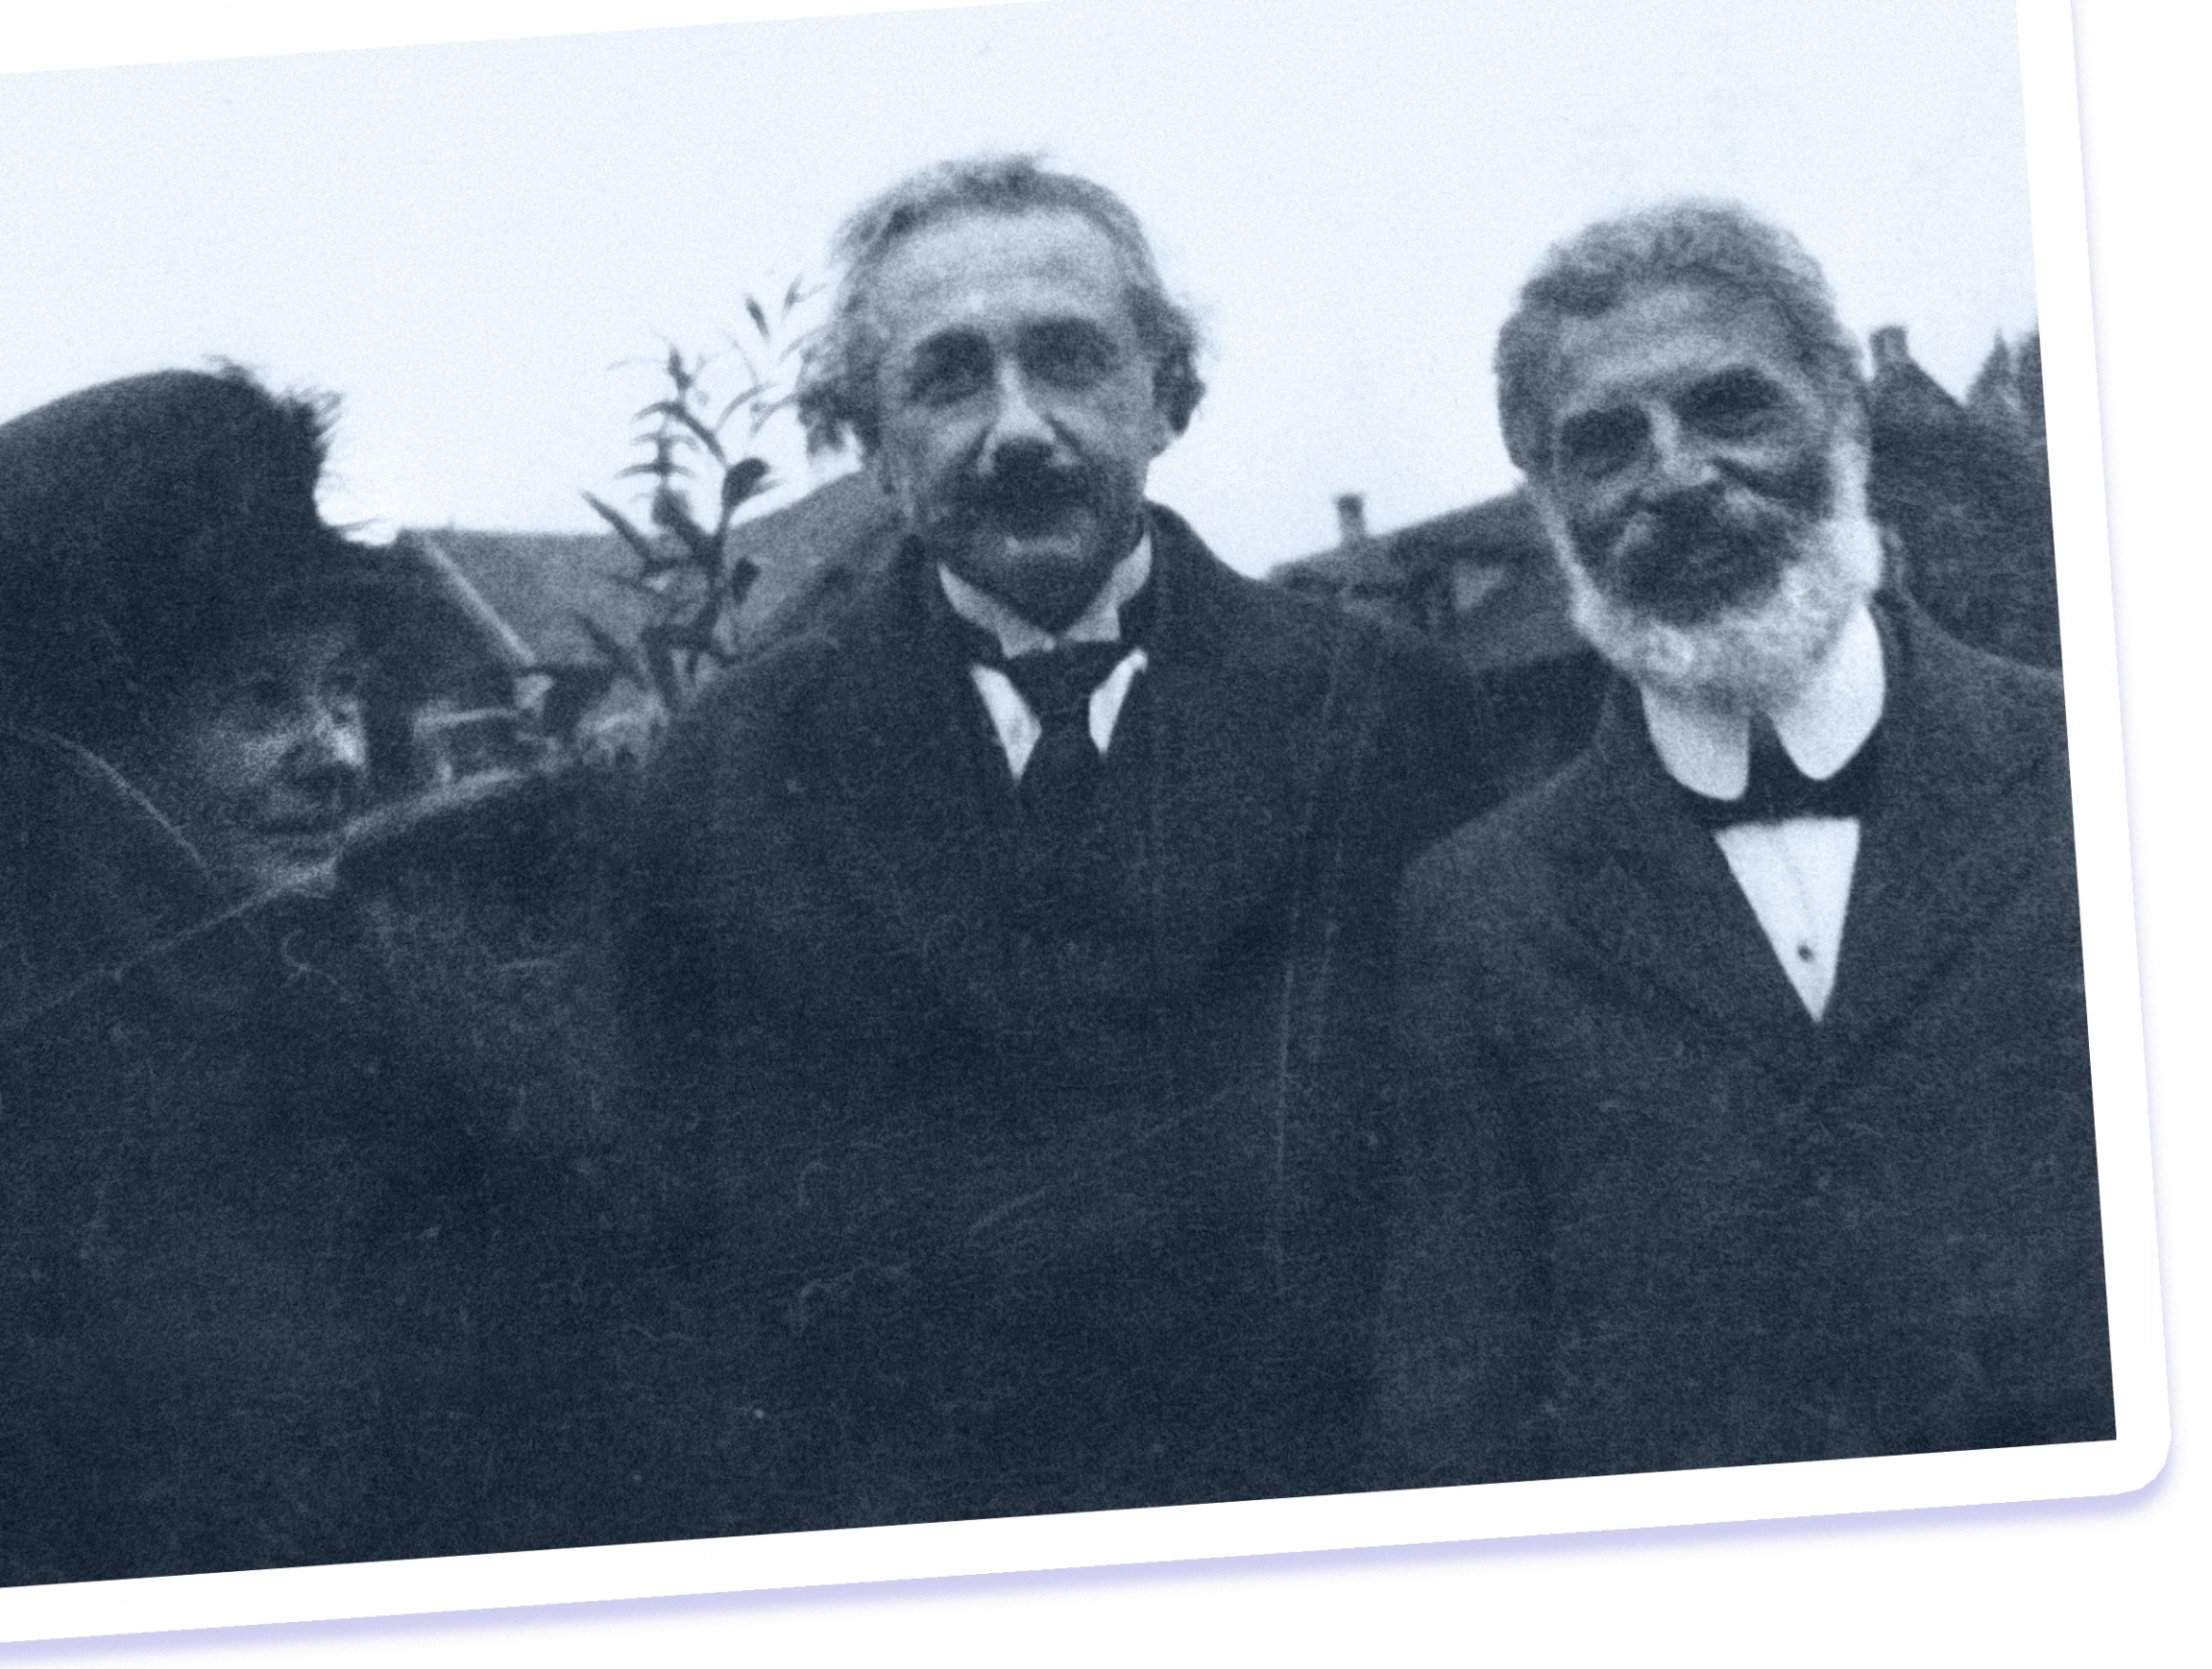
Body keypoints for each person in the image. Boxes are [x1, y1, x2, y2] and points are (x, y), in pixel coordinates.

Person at [620, 156, 1492, 1532]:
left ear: (1168, 395)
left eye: (1070, 360)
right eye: (949, 377)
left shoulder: (1388, 714)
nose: (1017, 429)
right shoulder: (735, 766)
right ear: (869, 434)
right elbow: (687, 1250)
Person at [1378, 201, 2115, 1490]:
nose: (1675, 476)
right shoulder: (1476, 914)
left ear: (1848, 416)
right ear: (1544, 499)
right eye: (1604, 444)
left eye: (1732, 409)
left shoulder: (2098, 774)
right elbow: (1461, 1401)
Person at [0, 366, 627, 1585]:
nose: (336, 753)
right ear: (78, 747)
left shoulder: (382, 1052)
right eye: (259, 697)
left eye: (340, 692)